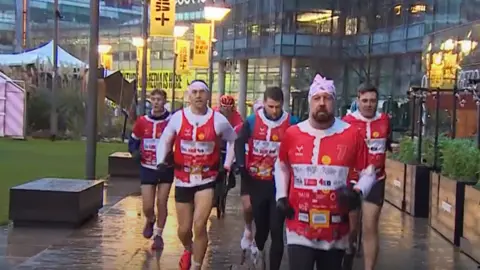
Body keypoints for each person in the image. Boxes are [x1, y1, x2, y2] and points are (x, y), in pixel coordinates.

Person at [274, 74, 377, 270]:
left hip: (336, 228)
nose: (322, 103)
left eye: (327, 98)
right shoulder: (293, 134)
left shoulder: (351, 134)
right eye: (317, 98)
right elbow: (281, 165)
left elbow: (369, 171)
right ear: (310, 102)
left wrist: (358, 192)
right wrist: (281, 196)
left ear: (334, 102)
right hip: (299, 224)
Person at [155, 80, 237, 270]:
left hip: (206, 180)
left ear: (208, 96)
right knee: (184, 230)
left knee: (199, 225)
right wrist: (160, 161)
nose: (198, 95)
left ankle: (196, 266)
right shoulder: (177, 118)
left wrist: (226, 165)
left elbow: (233, 140)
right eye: (194, 92)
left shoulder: (218, 120)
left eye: (202, 92)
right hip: (183, 179)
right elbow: (165, 140)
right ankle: (188, 248)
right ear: (188, 96)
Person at [235, 86, 299, 270]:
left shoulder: (292, 122)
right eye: (270, 106)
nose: (274, 111)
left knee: (277, 230)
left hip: (280, 184)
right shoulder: (252, 121)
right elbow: (239, 142)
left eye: (278, 107)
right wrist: (241, 166)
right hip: (256, 181)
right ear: (263, 103)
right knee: (261, 229)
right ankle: (258, 250)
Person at [342, 83, 390, 270]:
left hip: (376, 179)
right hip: (353, 180)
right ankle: (349, 249)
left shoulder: (385, 120)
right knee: (352, 229)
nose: (369, 104)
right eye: (365, 101)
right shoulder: (347, 122)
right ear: (357, 100)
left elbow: (387, 143)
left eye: (372, 101)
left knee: (370, 227)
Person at [128, 89, 173, 250]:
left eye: (159, 99)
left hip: (166, 167)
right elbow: (133, 140)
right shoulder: (142, 121)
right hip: (147, 167)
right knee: (147, 205)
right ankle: (150, 218)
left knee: (162, 201)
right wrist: (134, 152)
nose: (156, 102)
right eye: (153, 99)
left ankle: (159, 235)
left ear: (164, 101)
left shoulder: (171, 121)